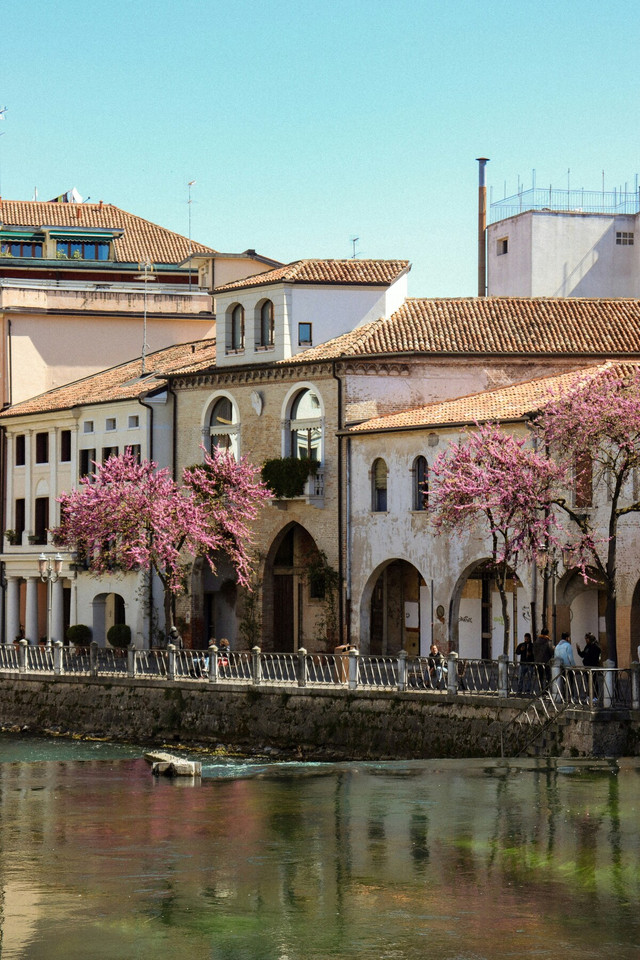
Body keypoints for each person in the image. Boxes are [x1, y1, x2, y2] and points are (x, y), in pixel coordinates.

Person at [576, 632, 602, 702]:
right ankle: (589, 696)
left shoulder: (596, 646)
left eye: (586, 639)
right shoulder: (587, 646)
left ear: (589, 639)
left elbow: (595, 657)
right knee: (588, 682)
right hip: (587, 667)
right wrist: (578, 651)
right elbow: (583, 655)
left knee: (594, 682)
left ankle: (595, 696)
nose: (585, 640)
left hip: (593, 666)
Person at [554, 631, 576, 700]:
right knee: (570, 682)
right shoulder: (568, 646)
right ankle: (571, 696)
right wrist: (573, 665)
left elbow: (555, 657)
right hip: (568, 667)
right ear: (567, 638)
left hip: (560, 667)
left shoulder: (557, 646)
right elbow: (570, 657)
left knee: (563, 681)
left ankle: (563, 695)